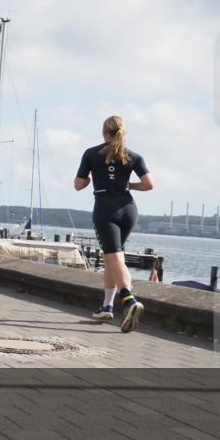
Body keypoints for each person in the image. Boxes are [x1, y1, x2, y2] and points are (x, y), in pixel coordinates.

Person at [74, 115, 154, 332]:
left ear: (104, 132)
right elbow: (149, 184)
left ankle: (129, 300)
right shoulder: (133, 155)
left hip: (105, 209)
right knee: (111, 257)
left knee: (114, 257)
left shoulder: (91, 153)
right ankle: (107, 306)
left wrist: (89, 179)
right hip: (128, 209)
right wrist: (129, 185)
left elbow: (78, 185)